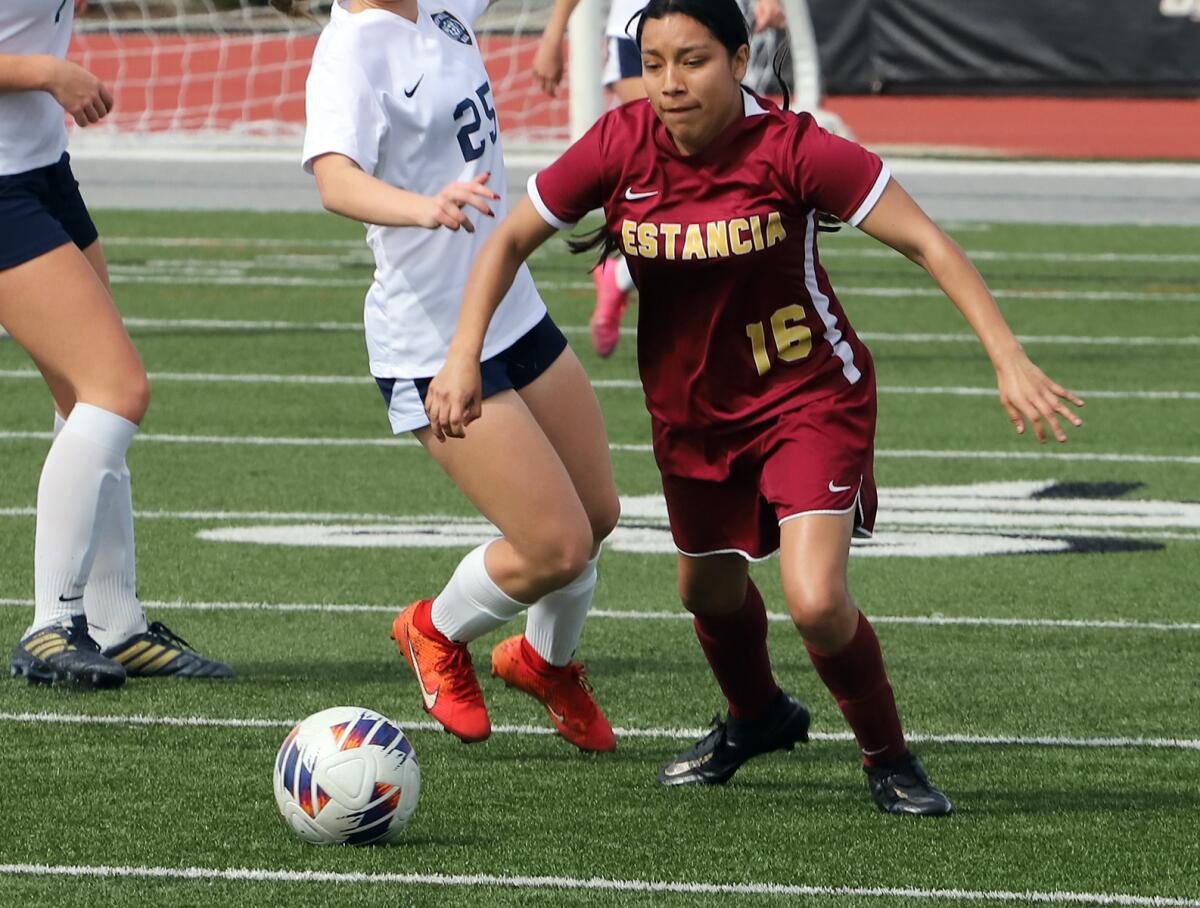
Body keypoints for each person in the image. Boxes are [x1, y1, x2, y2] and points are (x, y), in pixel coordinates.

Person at [428, 0, 1085, 814]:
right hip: (692, 414)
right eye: (656, 61)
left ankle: (890, 760)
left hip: (809, 397)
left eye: (694, 61)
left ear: (741, 62)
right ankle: (757, 715)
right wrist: (462, 357)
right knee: (705, 593)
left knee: (814, 599)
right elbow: (505, 241)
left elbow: (927, 242)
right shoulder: (617, 143)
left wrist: (1007, 355)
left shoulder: (795, 148)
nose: (669, 82)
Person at [283, 0, 620, 751]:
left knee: (596, 515)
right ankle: (433, 630)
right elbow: (335, 180)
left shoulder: (442, 6)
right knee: (555, 547)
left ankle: (543, 662)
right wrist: (423, 207)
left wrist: (561, 28)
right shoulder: (350, 50)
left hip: (513, 311)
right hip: (429, 339)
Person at [1, 0, 232, 687]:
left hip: (39, 169)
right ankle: (50, 624)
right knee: (117, 390)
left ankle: (115, 625)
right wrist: (47, 71)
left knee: (83, 398)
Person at [532, 0, 791, 358]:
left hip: (708, 31)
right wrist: (553, 32)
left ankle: (620, 275)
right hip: (638, 32)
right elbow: (509, 242)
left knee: (715, 192)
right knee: (678, 172)